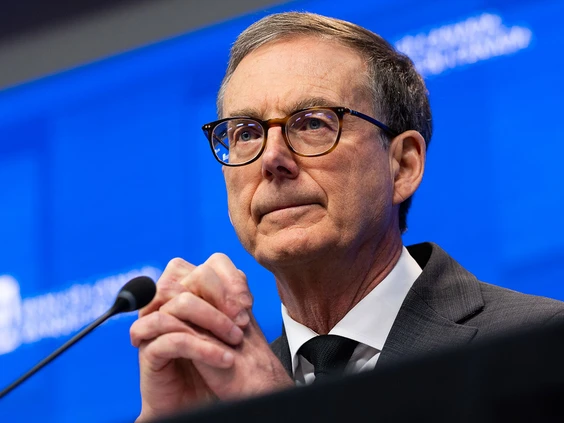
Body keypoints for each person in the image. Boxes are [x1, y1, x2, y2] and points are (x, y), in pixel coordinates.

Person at [129, 11, 564, 421]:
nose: (272, 159)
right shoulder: (221, 388)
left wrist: (273, 409)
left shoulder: (541, 346)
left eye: (312, 123)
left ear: (403, 165)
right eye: (246, 133)